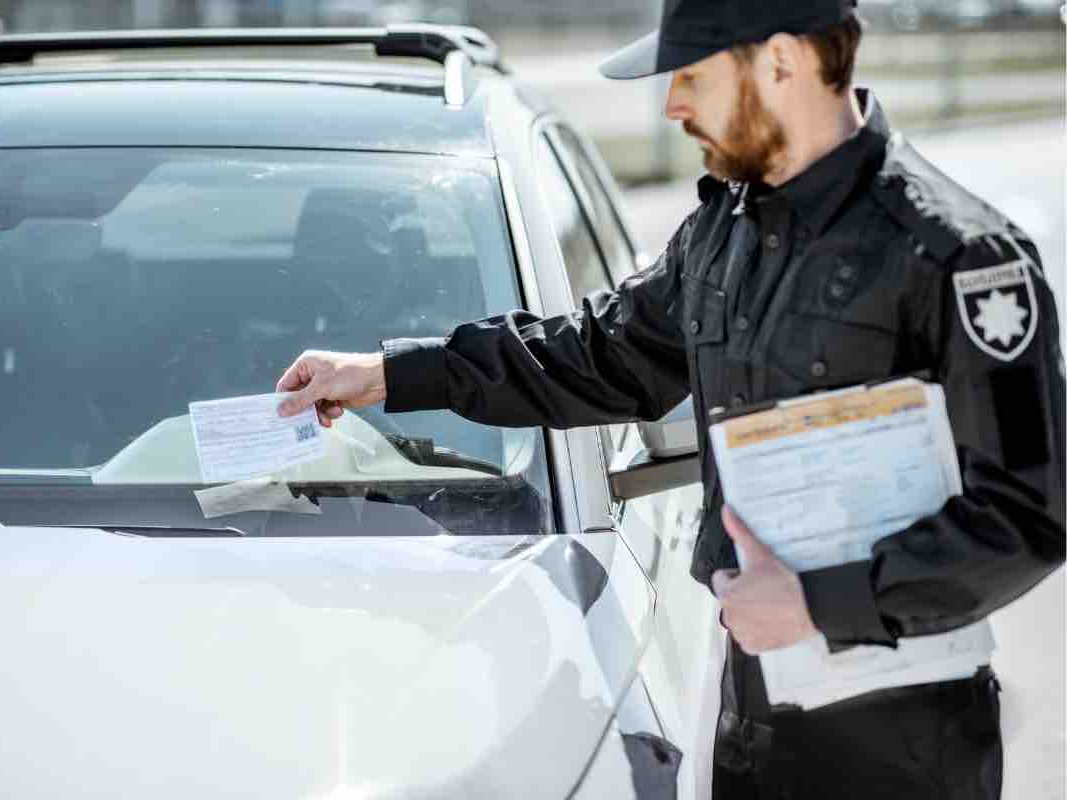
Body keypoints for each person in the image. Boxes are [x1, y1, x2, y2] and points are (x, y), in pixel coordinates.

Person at [276, 1, 1066, 797]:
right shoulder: (721, 230)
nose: (671, 105)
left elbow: (1028, 516)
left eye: (691, 74)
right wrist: (391, 374)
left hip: (905, 748)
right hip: (748, 726)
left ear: (783, 61)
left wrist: (820, 604)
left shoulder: (961, 256)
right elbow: (593, 353)